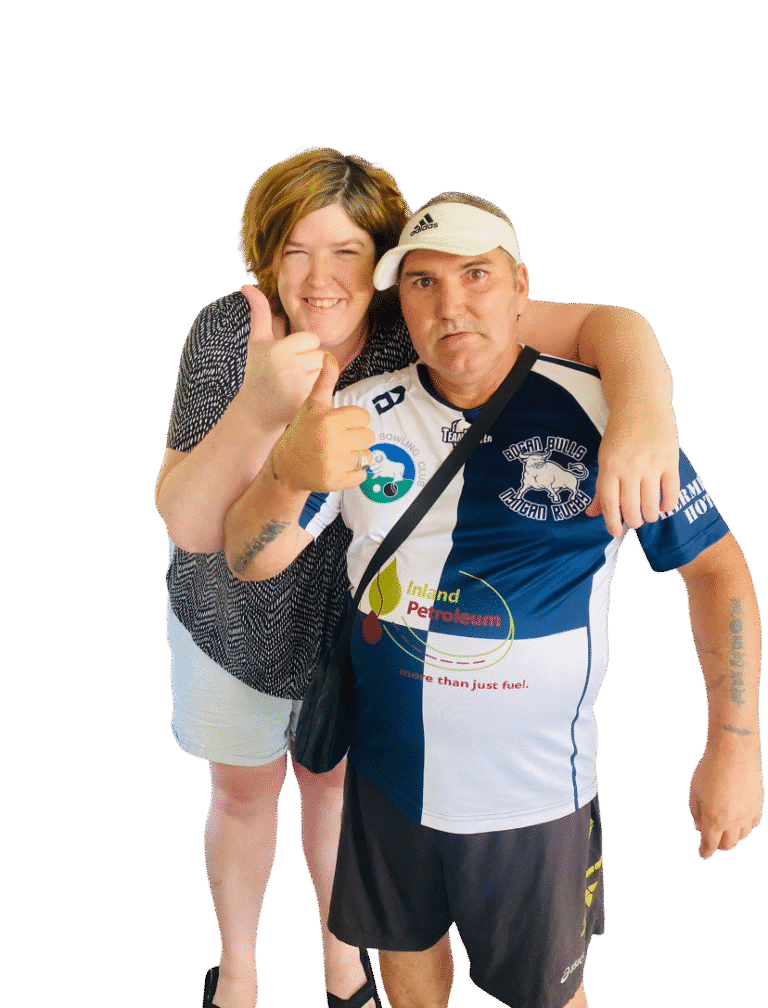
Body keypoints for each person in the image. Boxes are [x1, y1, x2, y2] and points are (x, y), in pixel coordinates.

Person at [155, 148, 680, 1008]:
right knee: (243, 794)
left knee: (334, 790)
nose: (319, 278)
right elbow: (187, 520)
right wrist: (260, 410)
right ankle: (240, 972)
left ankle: (342, 965)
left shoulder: (422, 314)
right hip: (235, 614)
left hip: (361, 626)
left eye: (347, 252)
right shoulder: (230, 331)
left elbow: (607, 326)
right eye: (296, 251)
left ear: (382, 263)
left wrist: (648, 410)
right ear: (266, 255)